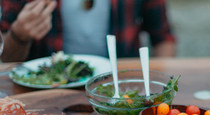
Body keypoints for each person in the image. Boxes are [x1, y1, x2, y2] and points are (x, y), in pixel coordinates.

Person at [0, 0, 176, 62]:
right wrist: (19, 35)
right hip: (47, 90)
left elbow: (163, 38)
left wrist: (161, 89)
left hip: (121, 87)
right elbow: (5, 58)